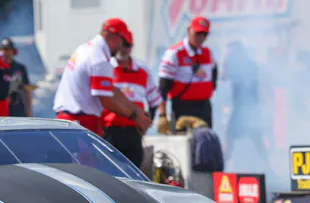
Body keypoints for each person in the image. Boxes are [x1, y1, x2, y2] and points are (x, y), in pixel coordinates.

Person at [53, 18, 152, 136]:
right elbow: (106, 100)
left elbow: (109, 89)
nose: (121, 47)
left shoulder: (86, 48)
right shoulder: (100, 58)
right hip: (81, 120)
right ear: (116, 36)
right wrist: (135, 116)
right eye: (123, 42)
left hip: (71, 118)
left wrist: (136, 109)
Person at [101, 33, 163, 168]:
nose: (123, 49)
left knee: (134, 171)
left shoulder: (142, 70)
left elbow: (154, 101)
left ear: (131, 47)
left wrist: (146, 124)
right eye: (121, 45)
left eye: (127, 45)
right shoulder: (105, 67)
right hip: (109, 131)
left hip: (133, 133)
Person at [157, 16, 217, 130]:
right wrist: (162, 115)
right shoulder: (174, 53)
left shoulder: (207, 53)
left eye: (204, 34)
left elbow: (214, 77)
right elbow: (163, 88)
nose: (200, 37)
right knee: (183, 139)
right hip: (182, 108)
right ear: (189, 30)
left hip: (204, 108)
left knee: (205, 139)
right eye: (197, 33)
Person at [0, 38, 35, 117]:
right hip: (0, 111)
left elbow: (27, 91)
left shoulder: (20, 68)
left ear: (13, 51)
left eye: (8, 49)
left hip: (17, 111)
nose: (5, 52)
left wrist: (29, 112)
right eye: (3, 49)